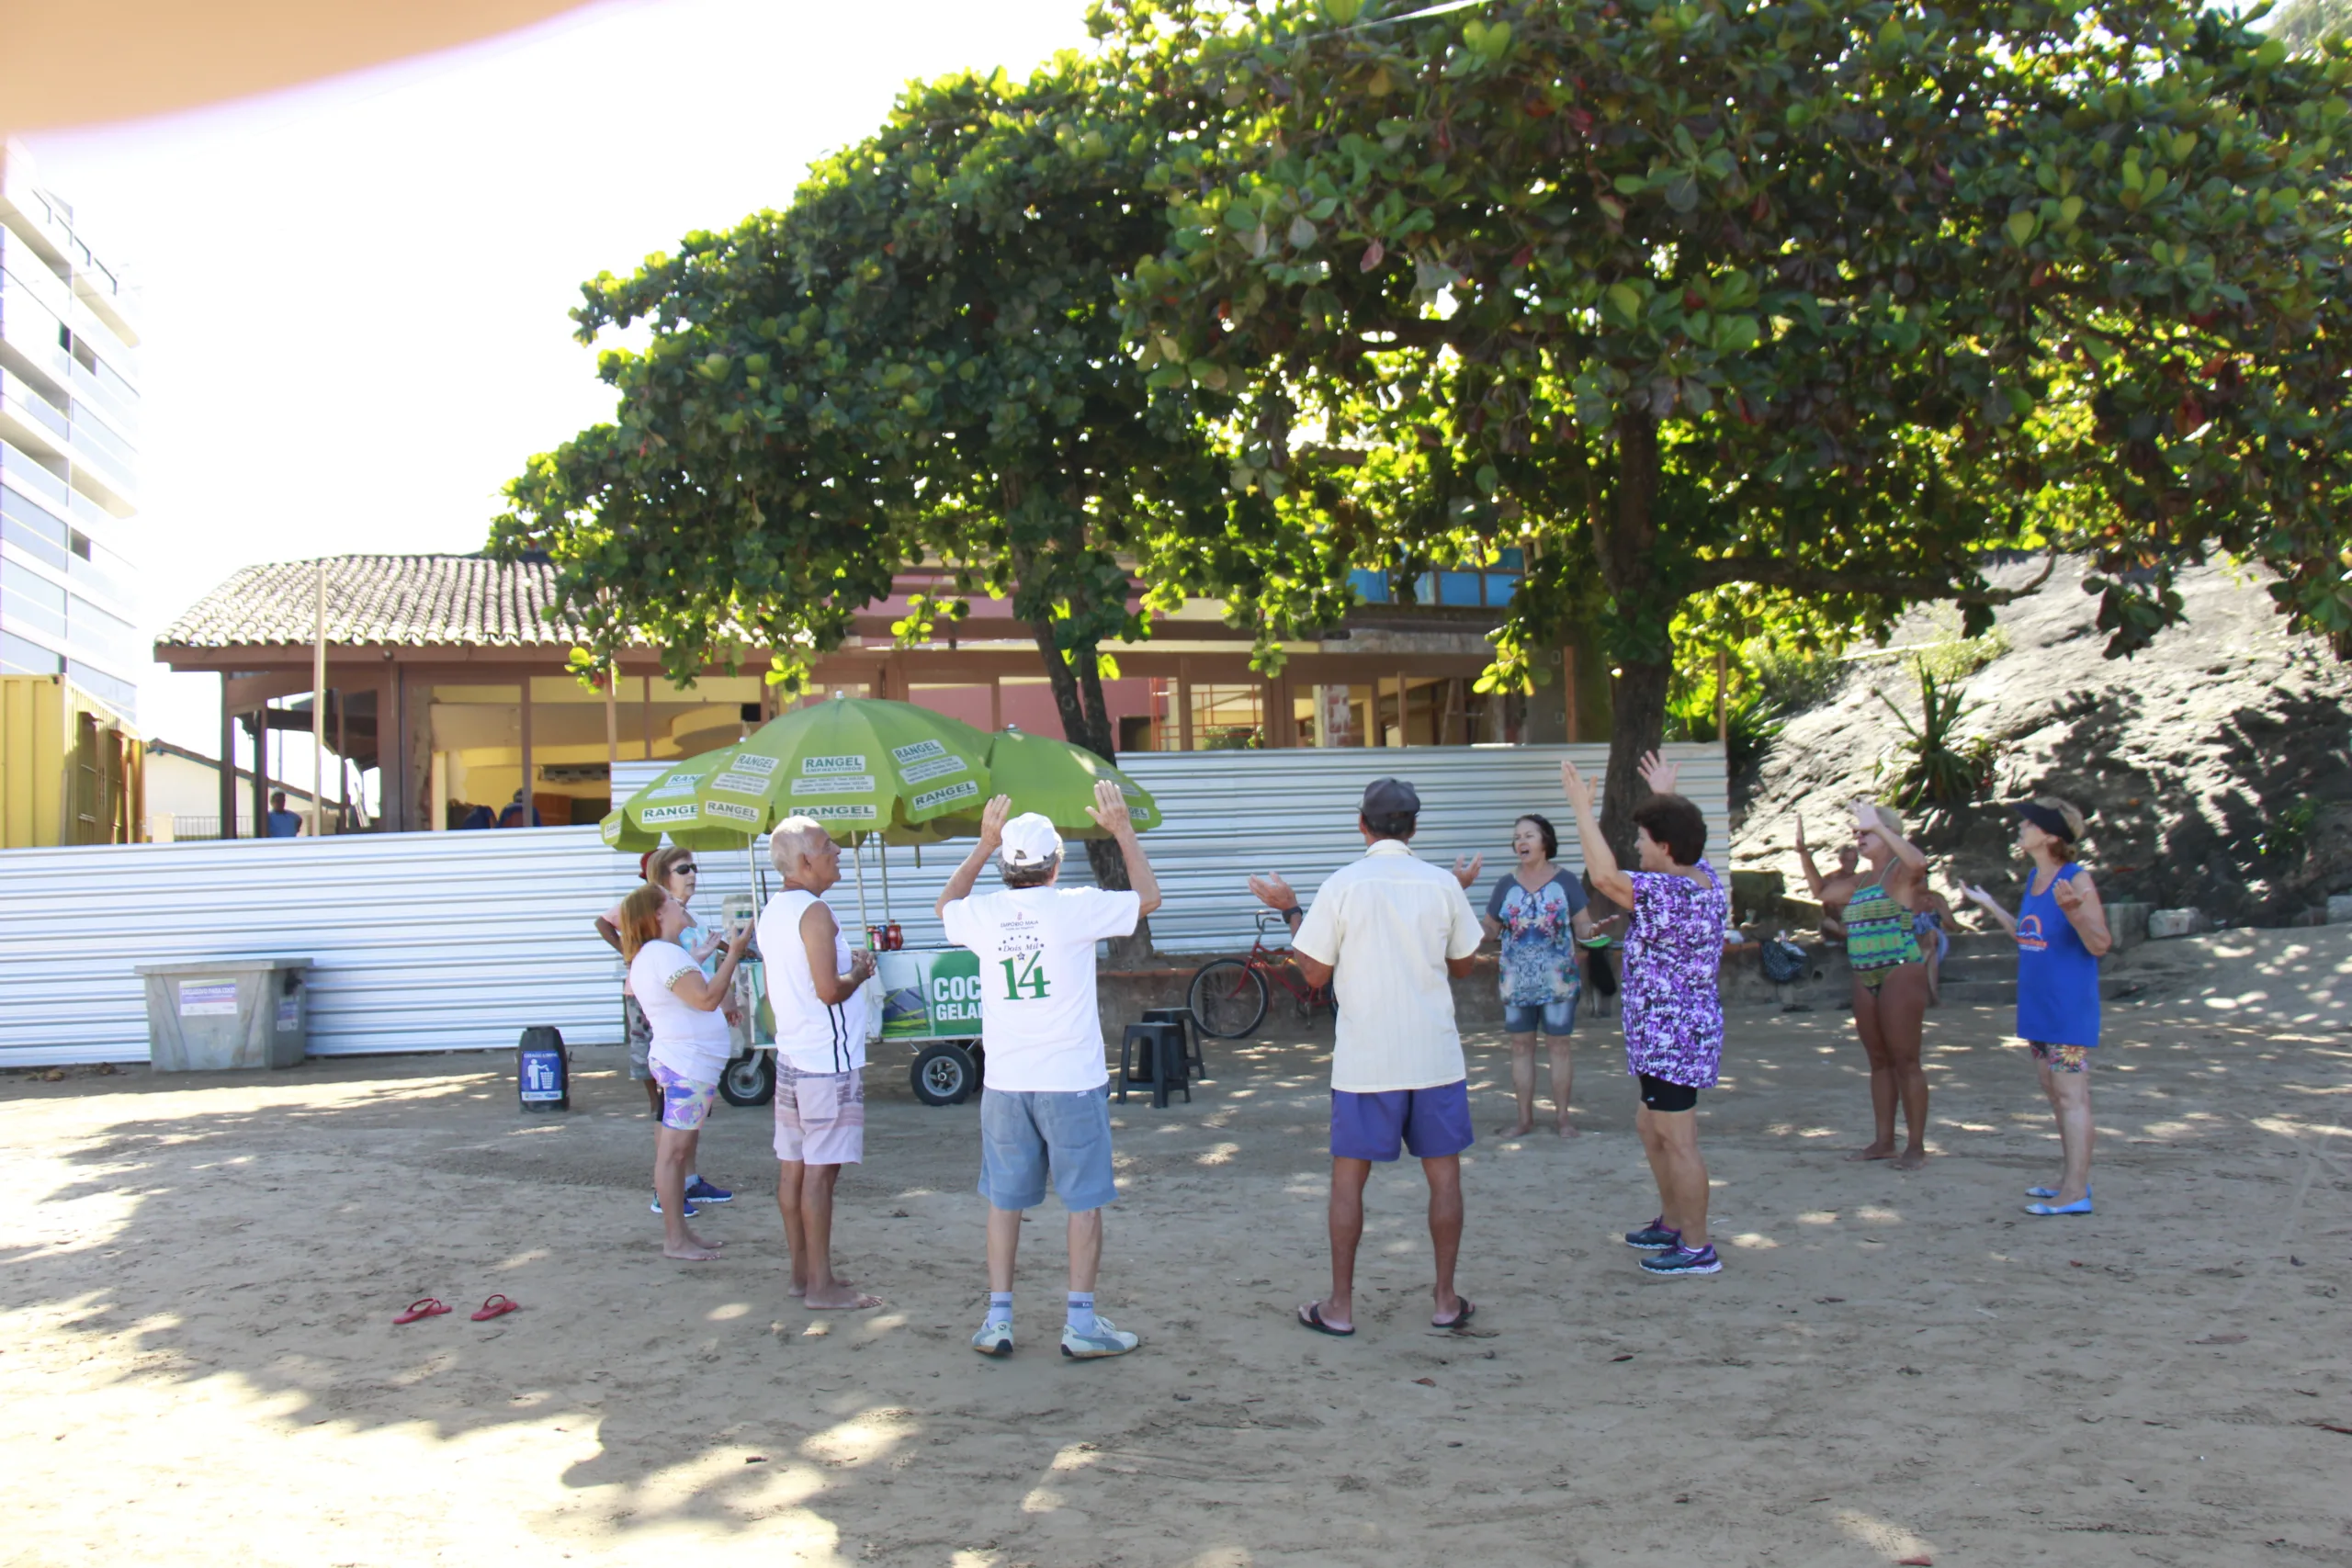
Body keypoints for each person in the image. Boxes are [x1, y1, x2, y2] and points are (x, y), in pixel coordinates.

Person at [1250, 777, 1485, 1337]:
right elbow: (1465, 964)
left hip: (1365, 1060)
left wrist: (1290, 910)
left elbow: (1313, 973)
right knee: (1445, 1178)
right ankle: (1446, 1300)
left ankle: (1340, 1306)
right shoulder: (1442, 886)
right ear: (1414, 828)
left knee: (1347, 1182)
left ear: (1362, 825)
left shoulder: (1342, 885)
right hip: (1433, 1056)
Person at [936, 781, 1160, 1360]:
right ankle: (1080, 1323)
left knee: (1004, 1201)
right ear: (1055, 862)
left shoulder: (984, 913)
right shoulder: (1074, 904)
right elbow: (1148, 897)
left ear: (1007, 866)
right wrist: (1123, 830)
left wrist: (983, 845)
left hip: (1007, 1080)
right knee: (1082, 1202)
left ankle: (998, 1319)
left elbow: (944, 908)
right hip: (1070, 1079)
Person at [1559, 752, 1731, 1277]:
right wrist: (1666, 796)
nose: (1637, 846)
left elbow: (1604, 876)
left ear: (1665, 847)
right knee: (1649, 1125)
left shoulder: (1672, 891)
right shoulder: (1701, 877)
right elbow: (1676, 839)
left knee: (1678, 1140)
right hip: (1670, 1033)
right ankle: (1675, 1223)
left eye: (1643, 839)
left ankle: (1697, 1247)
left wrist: (1581, 812)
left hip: (1673, 1035)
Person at [1963, 797, 2111, 1216]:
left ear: (2049, 836)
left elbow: (2100, 943)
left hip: (2066, 1007)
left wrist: (2076, 913)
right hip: (2038, 1006)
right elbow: (2028, 935)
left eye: (2029, 823)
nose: (2021, 827)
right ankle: (2067, 1181)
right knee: (2054, 1091)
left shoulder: (2076, 880)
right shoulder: (2034, 879)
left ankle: (2077, 1192)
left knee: (2071, 1096)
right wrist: (1991, 907)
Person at [757, 818, 883, 1309]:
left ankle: (802, 1275)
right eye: (827, 846)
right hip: (825, 1063)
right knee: (820, 1174)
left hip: (793, 1054)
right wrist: (859, 971)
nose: (836, 853)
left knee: (793, 1169)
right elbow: (828, 990)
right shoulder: (814, 912)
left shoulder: (774, 911)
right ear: (805, 862)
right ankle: (820, 1285)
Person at [617, 882, 753, 1261]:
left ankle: (681, 1234)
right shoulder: (664, 954)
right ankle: (675, 1239)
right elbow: (706, 998)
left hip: (685, 1064)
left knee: (675, 1153)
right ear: (658, 914)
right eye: (673, 902)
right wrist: (734, 954)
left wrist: (700, 957)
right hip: (686, 1066)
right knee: (674, 1154)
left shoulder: (661, 953)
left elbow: (698, 997)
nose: (681, 906)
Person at [597, 847, 734, 1215]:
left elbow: (710, 954)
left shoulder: (687, 916)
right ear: (662, 876)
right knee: (668, 1104)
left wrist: (736, 960)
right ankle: (667, 1190)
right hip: (664, 1021)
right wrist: (629, 951)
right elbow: (606, 921)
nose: (692, 874)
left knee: (687, 1108)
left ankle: (686, 1181)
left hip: (690, 1024)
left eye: (694, 867)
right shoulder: (654, 907)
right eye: (683, 868)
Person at [1481, 812, 1597, 1137]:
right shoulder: (1505, 883)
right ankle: (1523, 1120)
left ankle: (1563, 1119)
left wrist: (1593, 930)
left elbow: (1583, 924)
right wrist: (1472, 929)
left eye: (1529, 835)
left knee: (1559, 1046)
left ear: (1545, 841)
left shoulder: (1566, 881)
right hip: (1516, 980)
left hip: (1558, 978)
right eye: (1517, 836)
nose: (1521, 841)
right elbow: (1491, 926)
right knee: (1520, 1046)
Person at [1839, 801, 1934, 1169]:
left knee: (1905, 1059)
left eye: (1866, 832)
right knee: (1878, 1061)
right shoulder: (1862, 880)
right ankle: (1883, 1140)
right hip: (1865, 970)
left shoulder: (1901, 870)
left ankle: (1916, 1145)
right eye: (1858, 831)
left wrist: (1881, 829)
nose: (1858, 837)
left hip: (1899, 965)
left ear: (1887, 832)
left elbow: (1919, 864)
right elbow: (1823, 893)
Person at [1794, 818, 1861, 942]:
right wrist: (1804, 854)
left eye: (1854, 860)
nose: (1851, 864)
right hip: (1835, 924)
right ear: (1841, 860)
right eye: (1848, 860)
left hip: (1854, 925)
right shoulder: (1831, 879)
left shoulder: (1860, 880)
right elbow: (1820, 893)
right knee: (1828, 924)